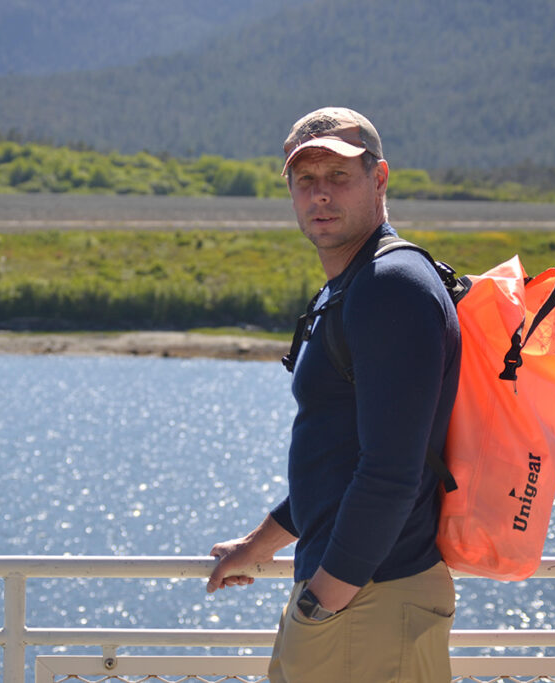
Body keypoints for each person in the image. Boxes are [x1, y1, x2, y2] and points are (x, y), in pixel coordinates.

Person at [206, 107, 462, 683]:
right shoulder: (358, 285)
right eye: (306, 181)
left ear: (379, 179)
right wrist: (259, 544)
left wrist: (322, 601)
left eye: (339, 177)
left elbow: (390, 473)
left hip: (369, 601)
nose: (320, 195)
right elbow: (339, 463)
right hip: (357, 602)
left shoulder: (390, 287)